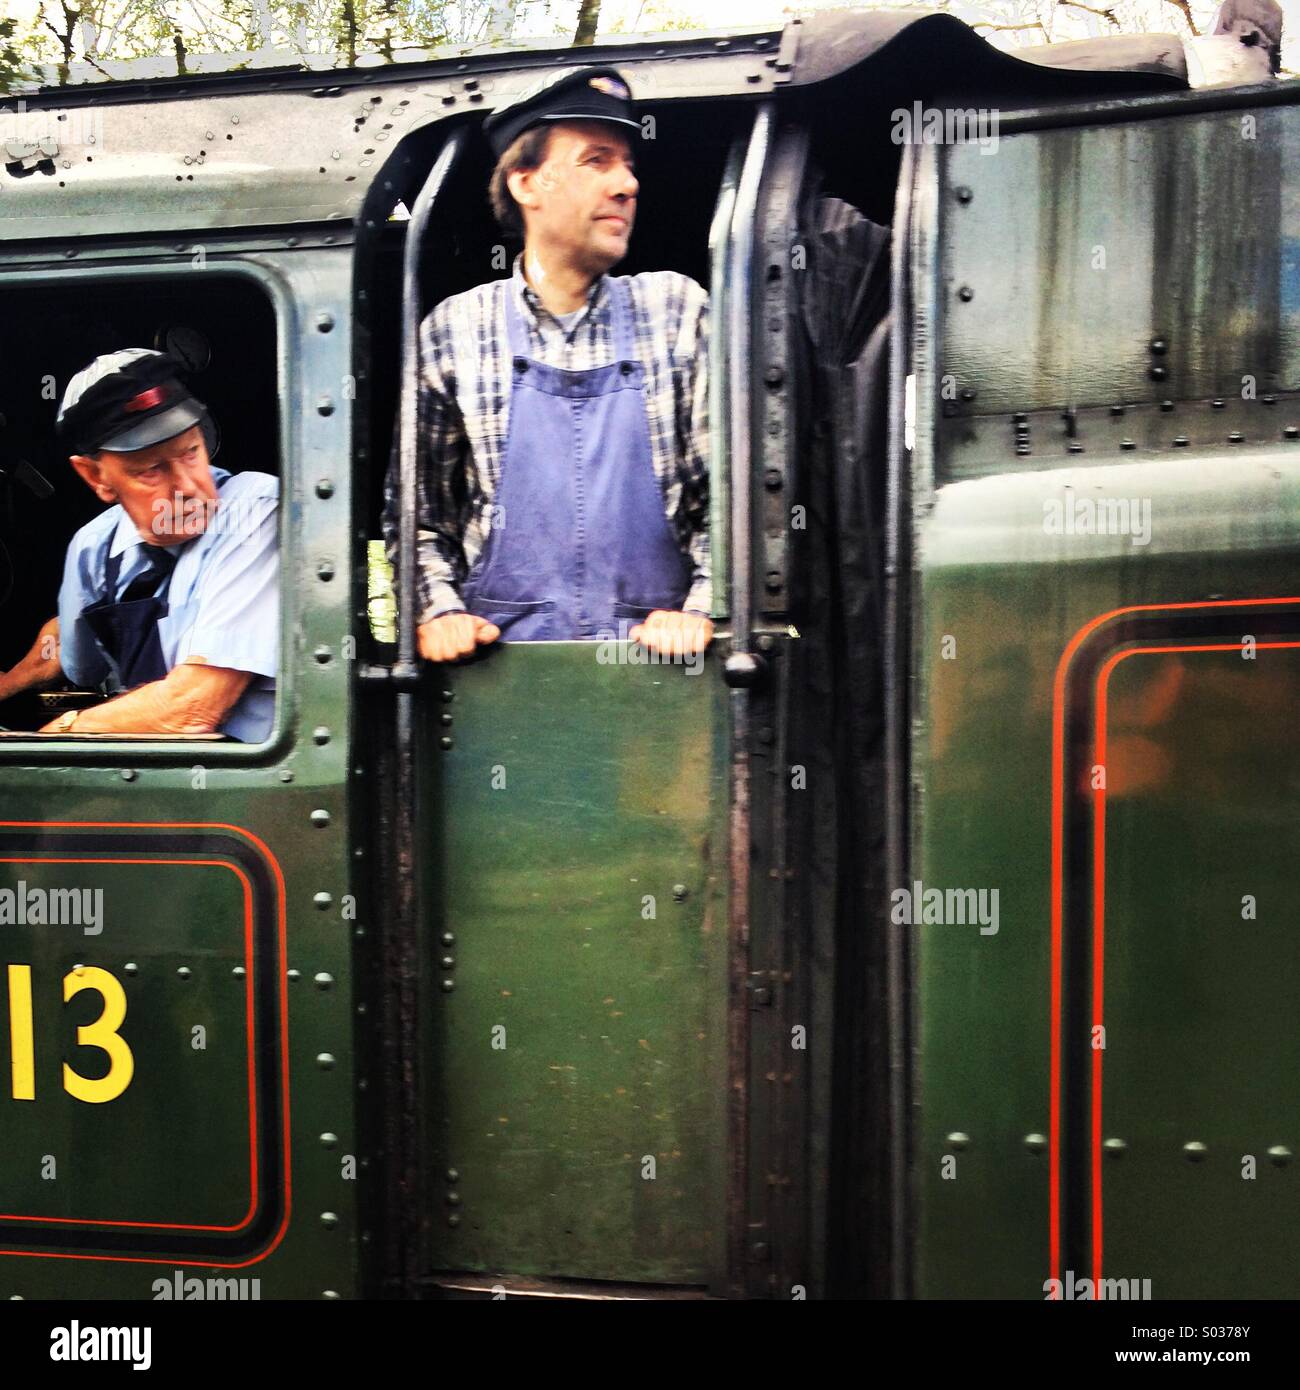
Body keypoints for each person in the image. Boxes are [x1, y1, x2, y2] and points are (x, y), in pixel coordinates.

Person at [382, 65, 713, 664]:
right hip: (502, 687)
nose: (626, 184)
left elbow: (737, 502)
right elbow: (418, 519)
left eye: (628, 164)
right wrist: (440, 611)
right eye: (597, 161)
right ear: (526, 183)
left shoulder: (677, 311)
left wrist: (701, 608)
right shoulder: (454, 332)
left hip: (661, 683)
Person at [0, 349, 278, 740]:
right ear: (96, 476)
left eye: (191, 451)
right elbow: (71, 640)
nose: (187, 487)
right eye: (150, 469)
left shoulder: (256, 511)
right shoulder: (93, 548)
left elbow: (192, 708)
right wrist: (11, 681)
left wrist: (62, 732)